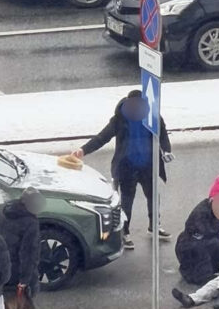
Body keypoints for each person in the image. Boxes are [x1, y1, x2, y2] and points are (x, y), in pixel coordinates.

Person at [71, 90, 173, 250]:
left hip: (148, 166)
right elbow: (102, 137)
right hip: (127, 167)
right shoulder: (120, 119)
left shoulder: (152, 117)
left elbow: (163, 135)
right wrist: (83, 150)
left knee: (153, 197)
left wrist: (166, 150)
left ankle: (154, 226)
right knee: (127, 201)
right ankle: (124, 233)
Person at [0, 187, 44, 309]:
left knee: (4, 304)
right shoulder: (30, 222)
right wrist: (25, 279)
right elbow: (28, 252)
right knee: (22, 305)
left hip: (2, 266)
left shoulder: (7, 214)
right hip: (19, 269)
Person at [174, 177, 219, 286]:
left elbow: (216, 233)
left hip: (202, 242)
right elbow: (201, 238)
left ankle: (209, 270)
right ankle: (197, 274)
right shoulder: (200, 214)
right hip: (189, 246)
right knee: (202, 251)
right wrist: (218, 243)